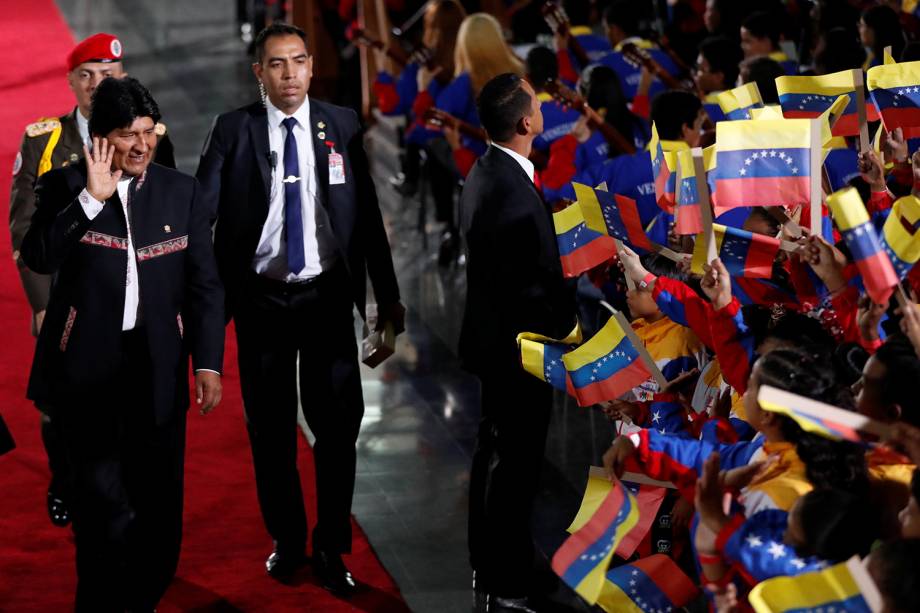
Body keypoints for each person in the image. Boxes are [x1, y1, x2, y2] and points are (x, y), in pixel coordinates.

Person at [196, 23, 404, 596]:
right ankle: (288, 541)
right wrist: (202, 315)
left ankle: (331, 545)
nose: (289, 74)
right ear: (257, 73)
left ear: (312, 66)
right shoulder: (231, 131)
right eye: (276, 64)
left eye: (297, 62)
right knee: (269, 432)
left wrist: (386, 301)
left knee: (338, 429)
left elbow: (365, 221)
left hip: (326, 299)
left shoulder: (339, 124)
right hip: (261, 300)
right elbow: (199, 222)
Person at [20, 76, 224, 612]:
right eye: (126, 134)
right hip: (86, 379)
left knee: (160, 524)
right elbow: (39, 255)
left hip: (156, 373)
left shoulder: (181, 193)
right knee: (102, 521)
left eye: (147, 132)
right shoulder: (66, 186)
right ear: (100, 139)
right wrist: (91, 198)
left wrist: (208, 362)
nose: (140, 145)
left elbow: (204, 285)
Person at [8, 31, 175, 529]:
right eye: (87, 76)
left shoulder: (150, 137)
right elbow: (24, 228)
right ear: (71, 82)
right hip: (65, 296)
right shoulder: (47, 140)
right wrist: (41, 303)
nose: (97, 85)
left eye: (107, 76)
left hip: (127, 297)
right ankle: (65, 479)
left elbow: (160, 213)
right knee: (58, 403)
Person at [459, 72, 575, 610]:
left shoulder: (487, 172)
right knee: (515, 465)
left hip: (496, 342)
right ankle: (507, 580)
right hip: (519, 351)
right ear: (526, 122)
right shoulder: (511, 191)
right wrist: (567, 319)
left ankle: (492, 562)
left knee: (497, 456)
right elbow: (528, 286)